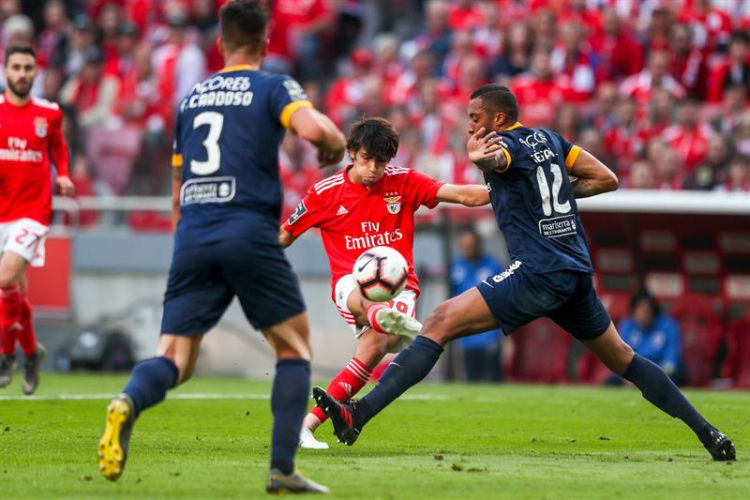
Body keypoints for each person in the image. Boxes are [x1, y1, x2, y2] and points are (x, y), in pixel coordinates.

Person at [313, 84, 736, 462]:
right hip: (575, 271)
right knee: (624, 358)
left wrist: (482, 158)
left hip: (537, 271)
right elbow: (606, 179)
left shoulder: (505, 143)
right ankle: (708, 433)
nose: (470, 125)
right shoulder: (551, 139)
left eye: (475, 117)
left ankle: (358, 415)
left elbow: (500, 158)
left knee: (438, 321)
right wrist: (553, 191)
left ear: (498, 118)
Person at [96, 1, 347, 494]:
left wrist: (188, 246)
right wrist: (334, 145)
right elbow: (315, 130)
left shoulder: (190, 99)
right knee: (294, 347)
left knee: (175, 360)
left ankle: (128, 400)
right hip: (248, 230)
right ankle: (281, 469)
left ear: (220, 44)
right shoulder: (273, 85)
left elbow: (176, 192)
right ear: (266, 44)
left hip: (193, 235)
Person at [279, 117, 490, 449]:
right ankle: (383, 318)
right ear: (351, 153)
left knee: (372, 350)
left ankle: (304, 427)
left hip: (400, 287)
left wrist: (511, 186)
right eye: (366, 159)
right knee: (371, 320)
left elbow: (464, 195)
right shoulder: (324, 193)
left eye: (381, 162)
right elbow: (284, 235)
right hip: (350, 285)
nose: (373, 169)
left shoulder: (404, 181)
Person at [0, 44, 75, 395]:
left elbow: (58, 147)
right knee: (17, 290)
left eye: (28, 68)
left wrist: (64, 174)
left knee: (4, 279)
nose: (22, 74)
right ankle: (31, 353)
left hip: (33, 212)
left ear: (35, 72)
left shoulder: (49, 113)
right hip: (2, 211)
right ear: (5, 71)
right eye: (16, 67)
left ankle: (5, 354)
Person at [450, 226, 503, 382]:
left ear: (478, 245)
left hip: (490, 333)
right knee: (471, 380)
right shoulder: (455, 267)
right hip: (467, 335)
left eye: (471, 244)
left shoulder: (493, 266)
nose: (468, 248)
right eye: (464, 245)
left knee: (494, 380)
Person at [615, 290, 683, 385]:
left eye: (646, 310)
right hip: (632, 377)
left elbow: (671, 364)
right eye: (639, 310)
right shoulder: (627, 326)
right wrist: (628, 377)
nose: (643, 314)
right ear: (633, 311)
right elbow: (619, 358)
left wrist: (646, 378)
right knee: (610, 382)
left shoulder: (668, 326)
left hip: (661, 376)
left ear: (653, 311)